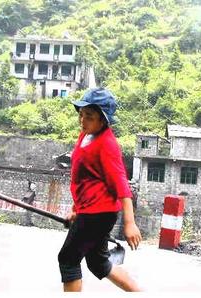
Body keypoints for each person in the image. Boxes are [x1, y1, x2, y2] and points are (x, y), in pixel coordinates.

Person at [60, 87, 142, 292]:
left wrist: (130, 223)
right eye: (81, 114)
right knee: (98, 263)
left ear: (103, 120)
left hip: (98, 214)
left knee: (68, 259)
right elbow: (83, 180)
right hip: (90, 211)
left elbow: (121, 184)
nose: (82, 120)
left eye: (89, 116)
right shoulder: (85, 136)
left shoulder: (107, 144)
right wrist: (76, 209)